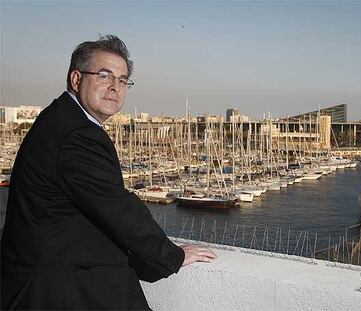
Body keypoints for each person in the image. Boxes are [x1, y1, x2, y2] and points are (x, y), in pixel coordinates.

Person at [1, 35, 216, 310]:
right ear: (77, 79)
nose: (115, 87)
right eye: (104, 76)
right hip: (63, 290)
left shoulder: (58, 118)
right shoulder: (77, 134)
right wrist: (171, 256)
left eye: (123, 80)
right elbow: (119, 209)